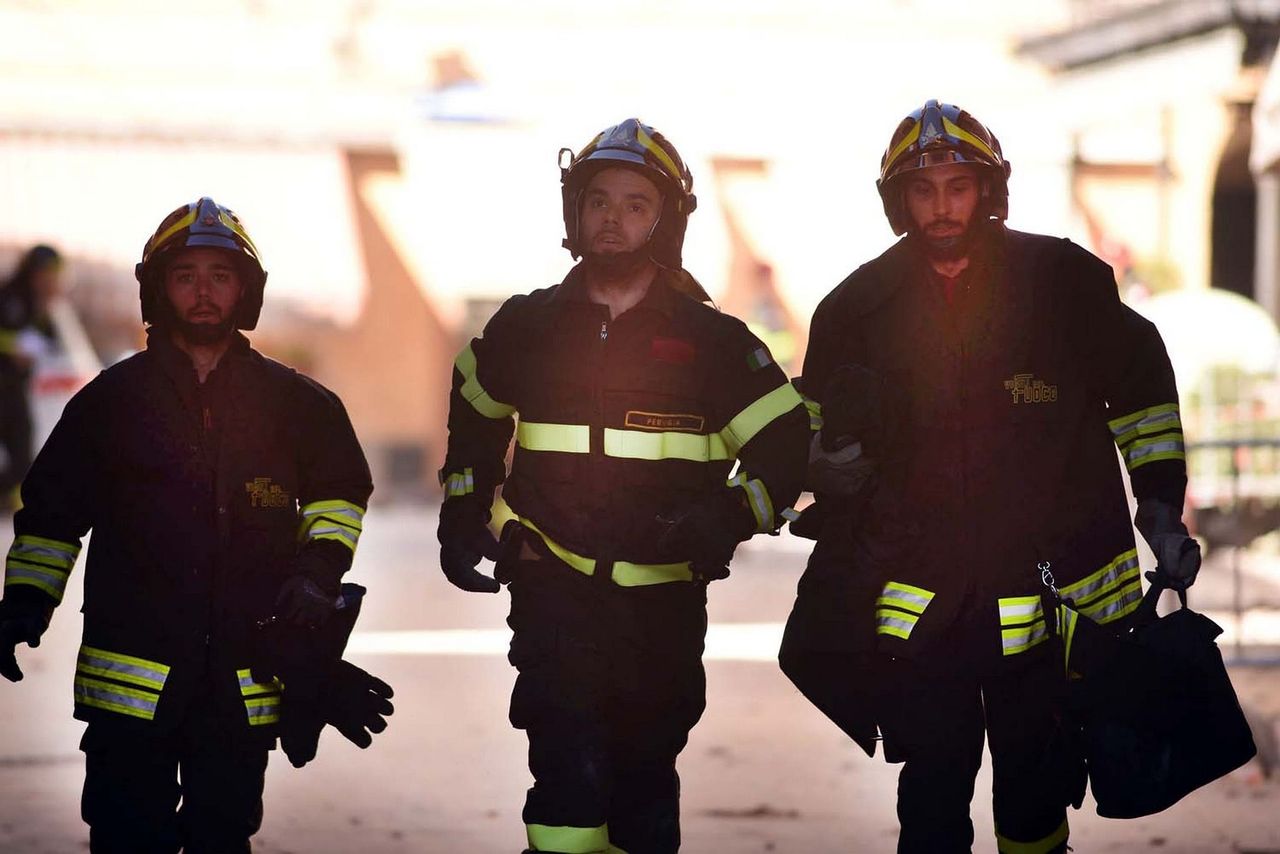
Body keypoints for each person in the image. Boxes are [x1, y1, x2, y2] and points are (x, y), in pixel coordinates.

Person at [791, 100, 1199, 853]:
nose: (942, 206)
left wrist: (1161, 507)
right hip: (923, 610)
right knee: (933, 792)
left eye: (957, 186)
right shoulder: (854, 309)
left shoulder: (1065, 282)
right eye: (923, 190)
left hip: (1048, 602)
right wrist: (824, 471)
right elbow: (814, 434)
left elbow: (1142, 395)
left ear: (988, 189)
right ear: (899, 201)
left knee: (1035, 797)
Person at [437, 118, 809, 853]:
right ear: (574, 211)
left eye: (636, 203)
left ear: (665, 219)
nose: (613, 216)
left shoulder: (715, 342)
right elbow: (475, 403)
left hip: (663, 597)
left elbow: (785, 447)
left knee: (643, 780)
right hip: (553, 583)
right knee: (565, 775)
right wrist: (462, 510)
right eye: (598, 199)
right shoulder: (528, 324)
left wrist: (728, 517)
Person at [0, 198, 390, 853]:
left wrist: (319, 575)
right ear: (158, 289)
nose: (204, 292)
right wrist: (23, 606)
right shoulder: (110, 404)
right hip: (129, 690)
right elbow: (50, 519)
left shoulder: (301, 407)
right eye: (186, 275)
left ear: (246, 289)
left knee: (222, 837)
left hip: (241, 686)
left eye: (221, 274)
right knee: (127, 839)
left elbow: (340, 496)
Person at [0, 244, 63, 509]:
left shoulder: (39, 302)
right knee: (19, 439)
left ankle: (12, 495)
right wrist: (14, 347)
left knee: (21, 444)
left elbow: (52, 340)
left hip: (16, 386)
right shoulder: (11, 295)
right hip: (5, 383)